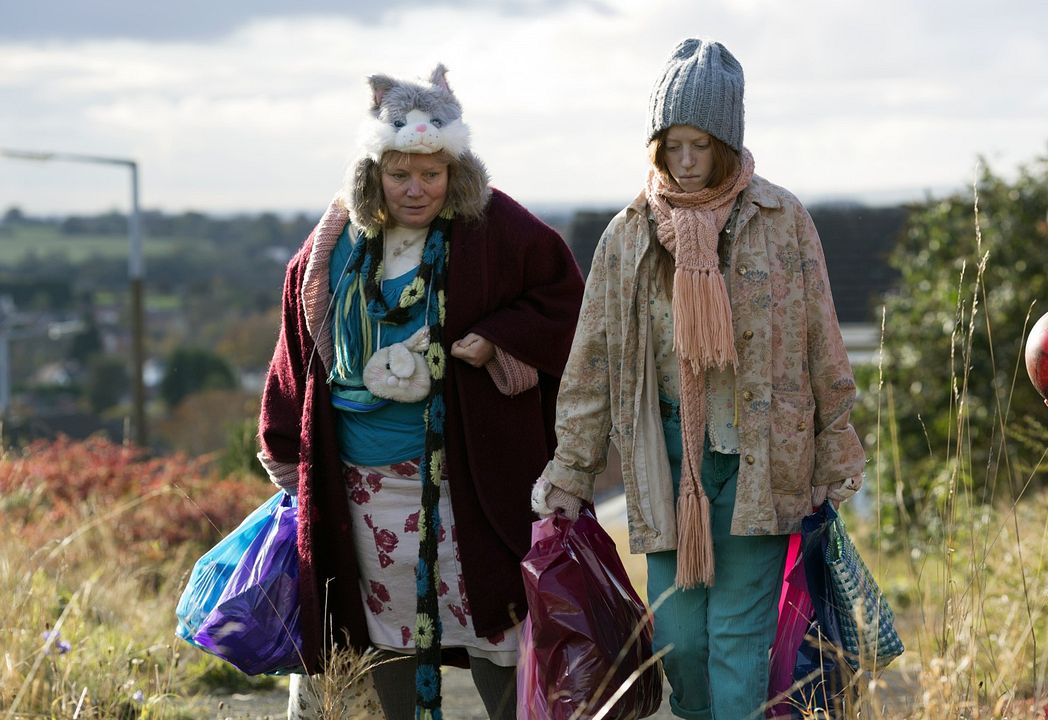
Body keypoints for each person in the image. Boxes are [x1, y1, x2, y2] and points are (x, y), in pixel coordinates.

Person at [531, 38, 867, 720]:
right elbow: (592, 362)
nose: (685, 162)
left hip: (762, 457)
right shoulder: (628, 235)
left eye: (701, 146)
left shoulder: (781, 220)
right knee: (681, 644)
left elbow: (821, 339)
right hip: (665, 463)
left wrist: (835, 447)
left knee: (738, 640)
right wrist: (571, 470)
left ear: (726, 143)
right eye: (672, 146)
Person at [257, 63, 583, 720]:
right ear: (372, 171)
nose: (416, 189)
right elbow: (298, 341)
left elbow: (565, 298)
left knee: (497, 622)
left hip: (469, 477)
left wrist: (498, 338)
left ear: (453, 171)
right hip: (363, 483)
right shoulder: (336, 241)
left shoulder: (496, 225)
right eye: (399, 174)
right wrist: (289, 450)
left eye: (431, 174)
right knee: (385, 627)